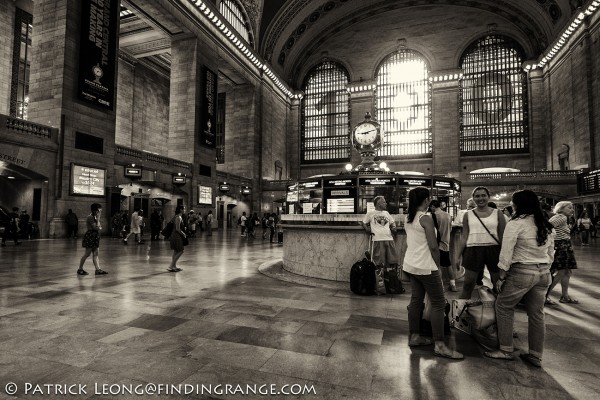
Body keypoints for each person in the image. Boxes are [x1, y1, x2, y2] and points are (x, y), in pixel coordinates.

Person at [484, 190, 554, 367]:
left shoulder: (516, 223)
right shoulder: (545, 223)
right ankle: (536, 355)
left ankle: (506, 350)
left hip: (522, 271)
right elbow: (552, 252)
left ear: (517, 205)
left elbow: (506, 252)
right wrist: (545, 268)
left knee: (503, 306)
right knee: (537, 314)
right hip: (543, 272)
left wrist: (501, 276)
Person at [403, 187, 463, 359]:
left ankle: (415, 336)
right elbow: (434, 246)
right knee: (437, 303)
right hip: (426, 266)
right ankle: (440, 345)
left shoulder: (409, 218)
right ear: (426, 200)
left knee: (416, 300)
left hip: (412, 264)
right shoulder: (426, 218)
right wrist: (436, 266)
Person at [457, 186, 507, 299]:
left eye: (483, 195)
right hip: (472, 250)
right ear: (473, 198)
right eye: (477, 196)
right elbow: (464, 236)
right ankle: (459, 311)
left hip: (494, 249)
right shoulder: (467, 215)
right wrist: (458, 256)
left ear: (488, 197)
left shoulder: (498, 213)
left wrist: (506, 257)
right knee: (468, 284)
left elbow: (502, 236)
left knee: (498, 284)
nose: (481, 198)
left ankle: (500, 312)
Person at [546, 201, 579, 305]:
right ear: (561, 208)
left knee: (567, 272)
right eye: (569, 208)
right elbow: (547, 227)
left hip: (564, 246)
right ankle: (545, 296)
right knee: (561, 272)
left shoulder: (559, 217)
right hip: (561, 247)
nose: (571, 209)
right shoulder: (561, 217)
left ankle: (565, 296)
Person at [359, 195, 400, 269]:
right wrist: (367, 229)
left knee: (392, 262)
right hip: (377, 240)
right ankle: (380, 279)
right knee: (379, 263)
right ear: (378, 204)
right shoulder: (370, 213)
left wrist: (394, 227)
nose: (386, 204)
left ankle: (390, 278)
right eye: (384, 202)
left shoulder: (386, 213)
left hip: (389, 239)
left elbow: (392, 222)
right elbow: (364, 222)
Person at [430, 199, 457, 292]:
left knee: (438, 266)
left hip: (438, 244)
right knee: (448, 264)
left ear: (433, 206)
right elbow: (450, 229)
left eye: (431, 207)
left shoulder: (433, 216)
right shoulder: (448, 215)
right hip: (446, 243)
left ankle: (440, 286)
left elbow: (432, 232)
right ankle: (453, 285)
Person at [77, 203, 108, 276]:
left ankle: (98, 269)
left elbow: (100, 227)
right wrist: (98, 219)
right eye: (99, 210)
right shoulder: (90, 217)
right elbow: (96, 227)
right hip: (91, 236)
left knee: (96, 254)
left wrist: (98, 223)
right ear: (95, 210)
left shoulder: (95, 217)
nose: (100, 212)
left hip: (95, 236)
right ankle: (80, 269)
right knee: (87, 254)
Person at [168, 205, 187, 272]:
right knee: (181, 250)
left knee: (176, 251)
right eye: (184, 209)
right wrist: (184, 234)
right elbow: (177, 229)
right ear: (180, 210)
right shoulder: (178, 217)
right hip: (176, 236)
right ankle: (171, 265)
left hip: (174, 235)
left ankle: (174, 266)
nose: (184, 210)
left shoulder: (176, 217)